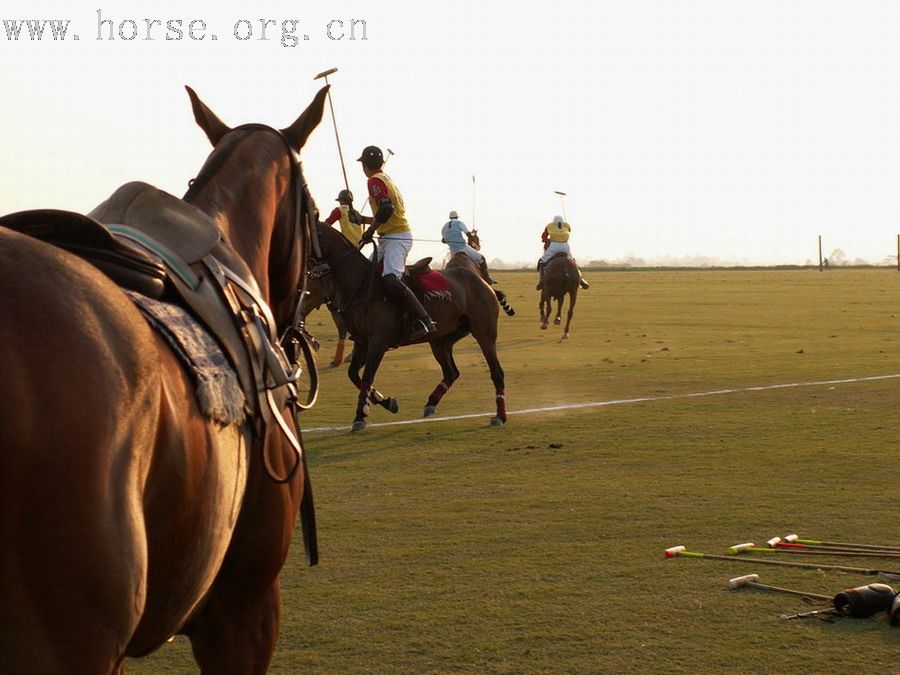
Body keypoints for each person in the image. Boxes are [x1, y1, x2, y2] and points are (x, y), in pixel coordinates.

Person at [356, 145, 436, 340]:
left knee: (390, 279)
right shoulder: (385, 179)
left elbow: (385, 209)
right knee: (367, 272)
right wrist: (363, 219)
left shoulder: (374, 181)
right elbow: (387, 213)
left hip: (396, 237)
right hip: (390, 235)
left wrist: (370, 231)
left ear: (365, 165)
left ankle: (425, 321)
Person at [536, 215, 590, 290]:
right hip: (565, 246)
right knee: (573, 262)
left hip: (553, 246)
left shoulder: (550, 226)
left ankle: (541, 281)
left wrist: (546, 240)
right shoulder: (566, 225)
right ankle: (581, 280)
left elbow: (543, 237)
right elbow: (569, 231)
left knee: (542, 261)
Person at [441, 210, 495, 283]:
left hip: (453, 252)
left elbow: (443, 240)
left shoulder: (444, 227)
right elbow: (468, 235)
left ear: (449, 217)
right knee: (482, 259)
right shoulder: (459, 223)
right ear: (457, 217)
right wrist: (472, 234)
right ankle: (487, 279)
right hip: (463, 248)